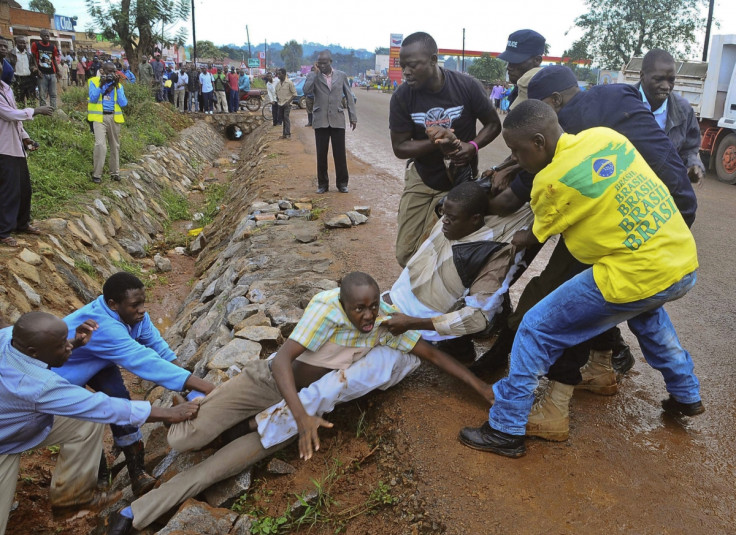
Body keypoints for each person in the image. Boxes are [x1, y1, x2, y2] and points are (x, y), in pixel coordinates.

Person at [107, 272, 493, 534]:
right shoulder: (325, 308)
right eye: (359, 308)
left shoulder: (384, 323)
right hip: (267, 382)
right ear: (342, 303)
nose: (368, 315)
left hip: (298, 410)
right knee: (181, 442)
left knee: (214, 471)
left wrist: (482, 389)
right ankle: (202, 406)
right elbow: (283, 364)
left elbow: (436, 356)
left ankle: (133, 513)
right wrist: (302, 417)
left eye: (373, 306)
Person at [459, 100, 702, 458]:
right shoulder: (604, 137)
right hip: (679, 262)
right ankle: (686, 393)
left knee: (535, 326)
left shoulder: (551, 183)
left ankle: (506, 427)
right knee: (647, 314)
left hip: (633, 269)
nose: (516, 158)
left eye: (517, 150)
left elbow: (534, 235)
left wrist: (511, 235)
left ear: (539, 142)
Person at [0, 311, 199, 535]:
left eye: (66, 341)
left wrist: (74, 343)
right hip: (4, 443)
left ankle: (71, 498)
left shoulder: (9, 338)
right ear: (33, 352)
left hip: (18, 421)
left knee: (84, 423)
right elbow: (103, 407)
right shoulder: (37, 386)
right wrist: (169, 414)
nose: (67, 347)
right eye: (60, 346)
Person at [54, 272, 215, 496]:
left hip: (97, 362)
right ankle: (98, 476)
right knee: (84, 422)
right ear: (113, 304)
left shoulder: (134, 315)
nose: (142, 309)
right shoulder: (103, 328)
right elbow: (144, 361)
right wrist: (208, 387)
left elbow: (157, 346)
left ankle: (137, 473)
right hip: (63, 372)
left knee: (119, 398)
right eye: (135, 305)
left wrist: (184, 378)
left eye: (143, 302)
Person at [382, 181, 533, 359]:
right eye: (443, 214)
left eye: (451, 218)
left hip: (421, 329)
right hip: (394, 304)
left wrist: (413, 323)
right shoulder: (451, 222)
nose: (444, 220)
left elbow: (478, 317)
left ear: (475, 219)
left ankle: (456, 346)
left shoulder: (489, 252)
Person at [389, 31, 500, 267]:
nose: (406, 72)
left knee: (445, 249)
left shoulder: (466, 86)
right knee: (405, 254)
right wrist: (436, 143)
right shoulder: (402, 96)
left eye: (413, 65)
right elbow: (399, 147)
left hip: (459, 181)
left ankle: (433, 297)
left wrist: (472, 146)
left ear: (433, 59)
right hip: (422, 176)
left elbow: (493, 124)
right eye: (403, 65)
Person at [0, 37, 53, 248]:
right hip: (4, 148)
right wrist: (36, 110)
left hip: (16, 147)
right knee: (9, 190)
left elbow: (17, 121)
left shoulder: (6, 88)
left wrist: (26, 138)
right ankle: (3, 231)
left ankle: (22, 223)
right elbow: (9, 114)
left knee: (24, 188)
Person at [637, 49, 705, 184]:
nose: (666, 86)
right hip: (623, 187)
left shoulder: (684, 111)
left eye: (671, 80)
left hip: (662, 189)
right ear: (642, 76)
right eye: (658, 79)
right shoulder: (624, 103)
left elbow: (689, 149)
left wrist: (693, 165)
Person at [303, 50, 358, 193]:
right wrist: (314, 74)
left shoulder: (341, 76)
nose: (322, 66)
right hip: (320, 120)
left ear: (330, 62)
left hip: (337, 119)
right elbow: (306, 90)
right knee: (321, 154)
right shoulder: (313, 75)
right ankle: (323, 184)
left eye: (324, 63)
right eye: (319, 63)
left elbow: (349, 97)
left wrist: (353, 117)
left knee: (340, 154)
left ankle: (342, 183)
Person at [88, 62, 127, 183]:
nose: (112, 74)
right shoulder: (93, 81)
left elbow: (123, 103)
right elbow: (93, 99)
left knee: (115, 146)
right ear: (102, 71)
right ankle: (97, 175)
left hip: (113, 118)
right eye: (109, 71)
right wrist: (101, 84)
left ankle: (115, 172)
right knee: (100, 145)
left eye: (114, 71)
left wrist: (116, 86)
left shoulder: (118, 85)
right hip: (99, 118)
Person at [498, 29, 545, 110]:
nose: (509, 67)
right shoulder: (518, 91)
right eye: (508, 61)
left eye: (516, 61)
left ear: (537, 60)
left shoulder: (543, 97)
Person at [30, 30, 61, 108]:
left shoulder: (52, 47)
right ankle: (43, 111)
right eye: (45, 35)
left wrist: (58, 71)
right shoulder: (35, 45)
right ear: (41, 36)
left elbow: (53, 59)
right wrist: (38, 70)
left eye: (48, 36)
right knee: (42, 94)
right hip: (42, 74)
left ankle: (53, 110)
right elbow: (33, 57)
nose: (47, 37)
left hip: (52, 73)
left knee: (53, 94)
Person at [11, 37, 38, 107]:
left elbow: (31, 65)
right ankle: (22, 116)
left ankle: (32, 115)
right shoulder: (12, 54)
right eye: (20, 43)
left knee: (31, 99)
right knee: (20, 100)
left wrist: (33, 68)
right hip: (18, 80)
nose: (23, 44)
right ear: (16, 43)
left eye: (24, 43)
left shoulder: (29, 55)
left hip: (29, 79)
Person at [275, 68, 296, 139]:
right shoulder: (277, 84)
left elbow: (294, 94)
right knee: (283, 118)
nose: (278, 75)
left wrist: (288, 102)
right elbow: (276, 93)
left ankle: (288, 134)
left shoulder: (289, 83)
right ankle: (284, 134)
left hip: (287, 104)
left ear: (284, 74)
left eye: (279, 74)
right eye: (277, 74)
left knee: (286, 117)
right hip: (280, 104)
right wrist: (278, 100)